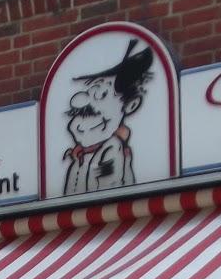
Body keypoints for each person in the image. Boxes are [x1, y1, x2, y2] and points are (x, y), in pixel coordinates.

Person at [63, 39, 154, 195]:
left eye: (101, 94)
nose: (78, 124)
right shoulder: (82, 156)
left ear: (130, 105)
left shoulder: (110, 150)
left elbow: (109, 193)